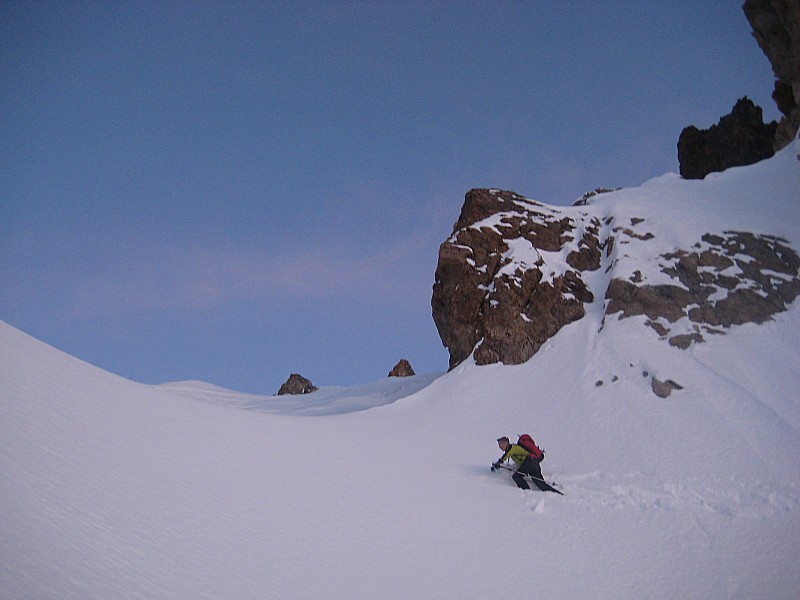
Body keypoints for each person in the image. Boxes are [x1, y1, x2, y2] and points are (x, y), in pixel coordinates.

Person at [492, 436, 560, 493]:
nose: (499, 447)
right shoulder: (513, 448)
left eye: (500, 444)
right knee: (540, 483)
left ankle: (527, 492)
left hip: (529, 462)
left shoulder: (512, 448)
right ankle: (556, 494)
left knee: (517, 476)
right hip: (534, 463)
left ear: (505, 443)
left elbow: (505, 456)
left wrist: (498, 463)